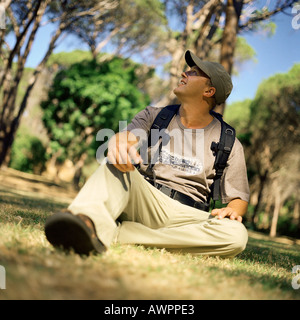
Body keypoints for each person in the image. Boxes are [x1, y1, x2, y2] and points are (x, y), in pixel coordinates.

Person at [45, 50, 250, 258]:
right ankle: (85, 221)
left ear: (209, 91)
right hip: (145, 200)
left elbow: (238, 198)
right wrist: (120, 141)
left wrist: (232, 211)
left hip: (189, 216)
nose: (184, 74)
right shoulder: (154, 115)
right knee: (114, 164)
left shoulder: (229, 142)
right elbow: (129, 136)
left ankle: (119, 233)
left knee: (236, 235)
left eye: (194, 73)